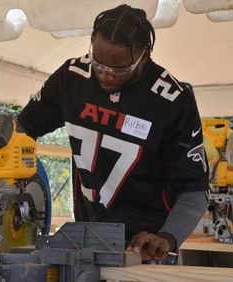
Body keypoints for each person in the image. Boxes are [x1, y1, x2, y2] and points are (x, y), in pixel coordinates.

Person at [17, 4, 208, 261]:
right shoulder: (72, 78)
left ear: (145, 55)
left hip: (146, 246)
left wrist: (167, 237)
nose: (105, 76)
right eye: (98, 63)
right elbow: (23, 129)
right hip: (86, 236)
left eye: (119, 70)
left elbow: (194, 191)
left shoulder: (172, 101)